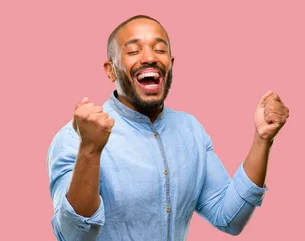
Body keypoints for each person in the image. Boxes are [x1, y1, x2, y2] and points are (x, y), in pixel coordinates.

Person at [46, 15, 289, 241]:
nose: (150, 57)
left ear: (170, 65)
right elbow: (73, 236)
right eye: (133, 50)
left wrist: (262, 140)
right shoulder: (73, 137)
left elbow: (228, 217)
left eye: (160, 49)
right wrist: (90, 148)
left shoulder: (191, 129)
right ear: (111, 70)